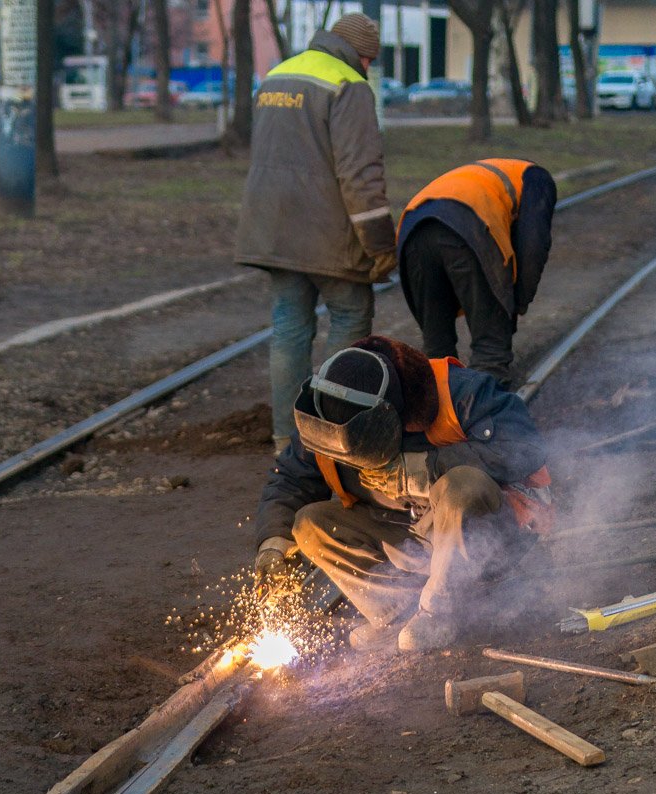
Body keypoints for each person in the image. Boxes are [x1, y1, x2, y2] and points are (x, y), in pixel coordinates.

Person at [252, 335, 553, 653]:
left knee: (463, 485)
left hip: (488, 538)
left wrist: (428, 467)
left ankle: (440, 615)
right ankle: (397, 616)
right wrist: (273, 545)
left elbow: (525, 448)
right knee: (309, 524)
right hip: (409, 535)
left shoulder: (459, 392)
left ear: (389, 418)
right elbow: (290, 479)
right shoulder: (325, 417)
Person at [235, 13, 398, 455]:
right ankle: (331, 435)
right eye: (369, 60)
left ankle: (287, 441)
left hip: (273, 228)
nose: (368, 67)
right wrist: (380, 245)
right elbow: (361, 175)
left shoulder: (277, 76)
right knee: (351, 315)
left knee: (289, 327)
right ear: (362, 55)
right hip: (329, 235)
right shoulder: (349, 84)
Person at [396, 159, 557, 387]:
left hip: (412, 230)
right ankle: (484, 403)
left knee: (436, 346)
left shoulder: (486, 175)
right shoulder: (537, 178)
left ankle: (438, 403)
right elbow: (533, 245)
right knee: (490, 348)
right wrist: (517, 301)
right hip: (468, 224)